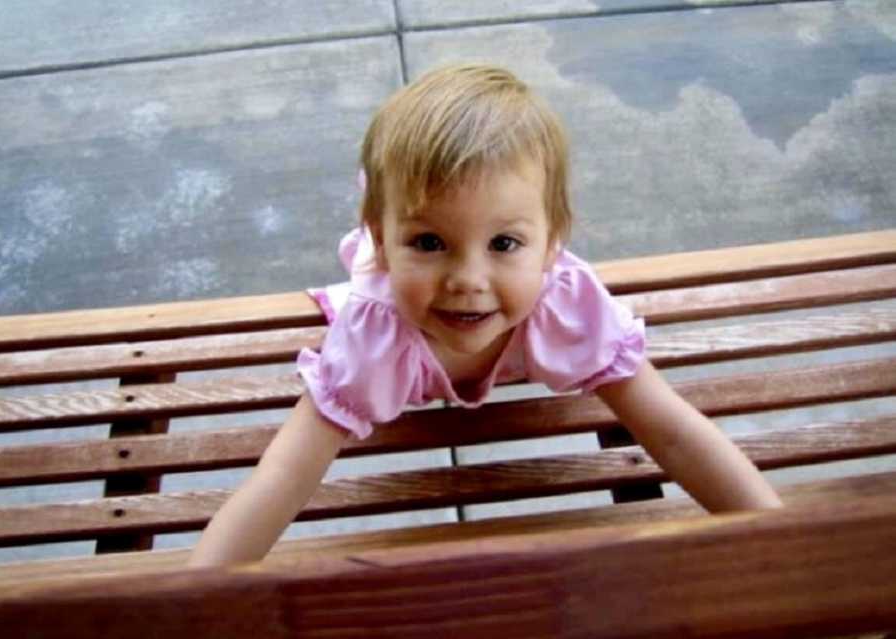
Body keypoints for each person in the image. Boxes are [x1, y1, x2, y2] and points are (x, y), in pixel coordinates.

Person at [187, 63, 784, 569]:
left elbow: (675, 433)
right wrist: (192, 600)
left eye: (504, 244)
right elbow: (284, 477)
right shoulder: (374, 334)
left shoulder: (566, 304)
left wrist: (784, 552)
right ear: (381, 239)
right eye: (427, 242)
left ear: (552, 245)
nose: (467, 282)